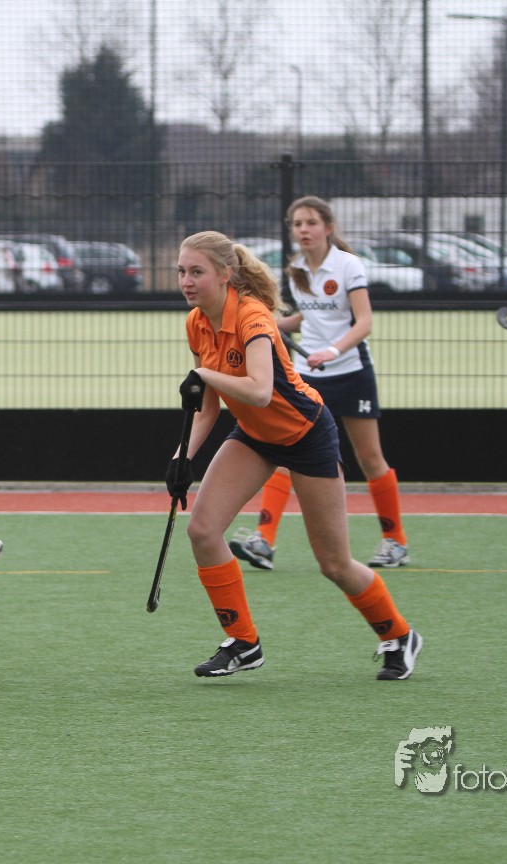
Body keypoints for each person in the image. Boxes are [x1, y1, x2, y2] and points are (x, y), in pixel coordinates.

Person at [168, 230, 421, 680]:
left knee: (334, 564)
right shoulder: (196, 322)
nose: (186, 281)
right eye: (182, 272)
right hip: (254, 435)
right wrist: (181, 458)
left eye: (196, 272)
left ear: (225, 274)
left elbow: (259, 391)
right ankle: (243, 642)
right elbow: (207, 407)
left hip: (306, 435)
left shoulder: (252, 317)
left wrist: (204, 374)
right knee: (202, 530)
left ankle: (398, 635)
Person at [229, 196, 409, 571]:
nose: (304, 230)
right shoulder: (296, 268)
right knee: (286, 451)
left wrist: (332, 350)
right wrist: (273, 324)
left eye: (311, 223)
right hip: (306, 377)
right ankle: (263, 540)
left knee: (369, 457)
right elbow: (307, 318)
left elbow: (364, 322)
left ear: (328, 228)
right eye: (297, 224)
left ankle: (395, 541)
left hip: (351, 372)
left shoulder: (348, 265)